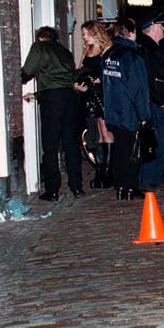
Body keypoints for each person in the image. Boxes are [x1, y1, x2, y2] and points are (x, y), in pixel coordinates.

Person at [21, 26, 83, 201]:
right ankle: (77, 186)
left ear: (40, 38)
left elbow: (28, 71)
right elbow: (64, 80)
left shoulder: (39, 47)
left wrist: (17, 79)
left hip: (52, 101)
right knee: (71, 143)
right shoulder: (65, 52)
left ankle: (52, 189)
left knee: (50, 145)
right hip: (69, 98)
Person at [102, 19, 152, 200]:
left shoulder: (108, 55)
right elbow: (139, 88)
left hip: (113, 110)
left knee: (120, 149)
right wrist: (144, 114)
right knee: (132, 151)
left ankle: (121, 186)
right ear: (131, 32)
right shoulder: (132, 56)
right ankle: (130, 187)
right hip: (129, 111)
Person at [137, 12, 164, 191]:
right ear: (152, 28)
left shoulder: (159, 48)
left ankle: (157, 177)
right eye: (160, 25)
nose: (163, 28)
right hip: (153, 104)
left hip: (163, 103)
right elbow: (147, 80)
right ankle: (147, 178)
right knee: (151, 141)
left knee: (161, 142)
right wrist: (160, 100)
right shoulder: (145, 50)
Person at [74, 20, 114, 189]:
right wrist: (76, 84)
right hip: (89, 95)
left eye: (86, 34)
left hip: (103, 95)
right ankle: (100, 169)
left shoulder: (107, 50)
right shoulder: (87, 50)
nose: (83, 37)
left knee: (106, 131)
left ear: (95, 33)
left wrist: (100, 79)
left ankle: (109, 171)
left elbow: (111, 73)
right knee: (95, 133)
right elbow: (79, 70)